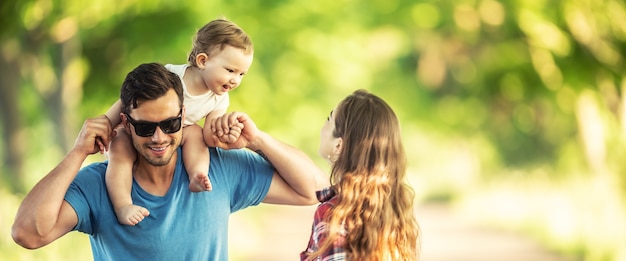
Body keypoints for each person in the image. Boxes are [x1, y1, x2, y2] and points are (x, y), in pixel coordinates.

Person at [12, 63, 327, 260]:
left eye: (171, 124)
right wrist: (78, 152)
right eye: (146, 127)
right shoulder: (99, 183)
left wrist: (258, 141)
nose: (159, 137)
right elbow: (28, 234)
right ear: (125, 122)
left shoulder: (217, 166)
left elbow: (315, 191)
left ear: (184, 116)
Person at [103, 18, 254, 226]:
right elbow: (127, 101)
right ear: (202, 61)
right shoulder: (173, 75)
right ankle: (123, 205)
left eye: (241, 74)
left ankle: (196, 174)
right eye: (230, 70)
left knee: (196, 135)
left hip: (178, 132)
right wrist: (106, 123)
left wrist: (225, 129)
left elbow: (210, 137)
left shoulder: (219, 98)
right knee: (119, 146)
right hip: (142, 129)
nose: (235, 80)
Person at [300, 90, 421, 261]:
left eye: (329, 119)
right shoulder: (394, 211)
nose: (323, 126)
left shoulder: (334, 216)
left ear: (338, 145)